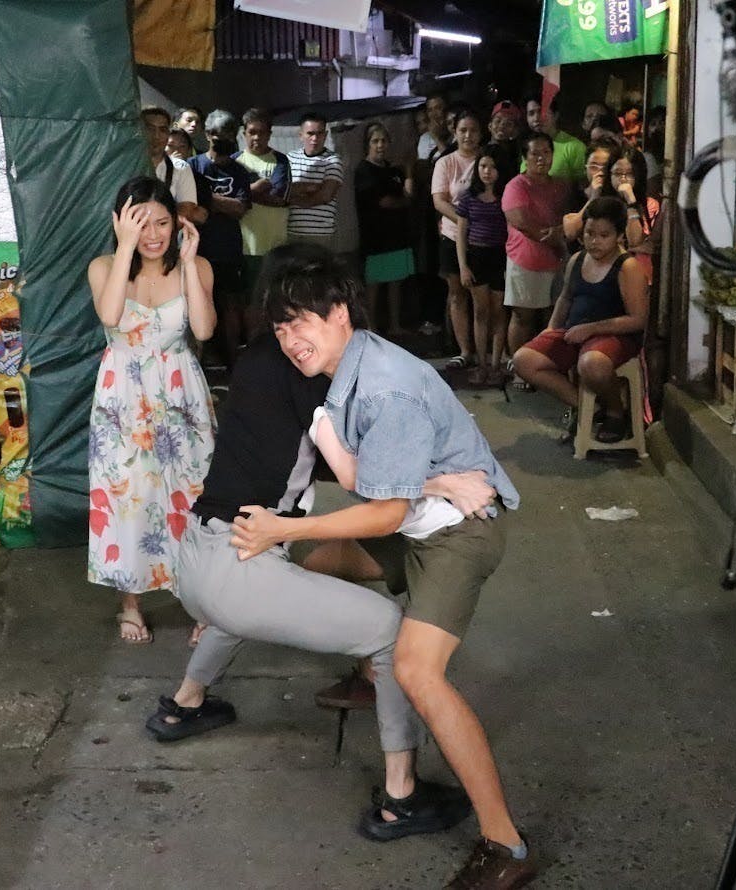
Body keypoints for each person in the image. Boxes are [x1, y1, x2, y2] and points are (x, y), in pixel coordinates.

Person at [234, 243, 538, 890]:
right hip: (417, 522)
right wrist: (432, 481)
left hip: (458, 536)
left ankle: (505, 845)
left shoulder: (384, 387)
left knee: (418, 672)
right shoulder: (346, 369)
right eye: (280, 327)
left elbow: (381, 512)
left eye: (301, 321)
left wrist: (283, 528)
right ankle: (368, 668)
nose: (290, 340)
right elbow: (364, 481)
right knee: (315, 565)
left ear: (340, 312)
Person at [146, 325, 490, 843]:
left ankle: (185, 703)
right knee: (392, 632)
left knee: (260, 593)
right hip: (241, 570)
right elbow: (356, 476)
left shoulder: (253, 359)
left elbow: (302, 459)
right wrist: (442, 482)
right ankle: (402, 797)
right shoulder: (311, 377)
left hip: (197, 558)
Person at [87, 176, 217, 643]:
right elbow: (109, 316)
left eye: (162, 222)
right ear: (120, 223)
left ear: (176, 223)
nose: (153, 234)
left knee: (192, 493)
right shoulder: (104, 266)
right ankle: (131, 604)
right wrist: (124, 248)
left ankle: (204, 603)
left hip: (181, 393)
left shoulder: (195, 266)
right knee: (130, 496)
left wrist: (189, 264)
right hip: (123, 397)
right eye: (140, 223)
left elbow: (203, 330)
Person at [514, 197, 648, 445]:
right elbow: (565, 298)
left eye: (604, 235)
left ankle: (616, 412)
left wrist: (592, 329)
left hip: (614, 336)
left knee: (592, 364)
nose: (594, 241)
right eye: (589, 234)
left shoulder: (627, 267)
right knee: (524, 360)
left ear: (619, 236)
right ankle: (587, 407)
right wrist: (550, 329)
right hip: (574, 331)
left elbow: (638, 320)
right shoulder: (577, 260)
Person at [502, 132, 570, 391]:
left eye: (546, 152)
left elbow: (569, 217)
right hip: (526, 260)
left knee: (552, 318)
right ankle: (519, 368)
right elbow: (521, 221)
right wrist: (552, 235)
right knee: (523, 316)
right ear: (525, 157)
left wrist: (560, 233)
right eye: (535, 153)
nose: (541, 158)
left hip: (556, 260)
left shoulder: (560, 186)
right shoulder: (516, 186)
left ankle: (544, 368)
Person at [188, 109, 252, 368]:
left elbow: (240, 209)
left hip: (228, 250)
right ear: (207, 134)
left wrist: (206, 199)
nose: (221, 138)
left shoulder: (239, 171)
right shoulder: (192, 166)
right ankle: (198, 364)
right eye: (216, 134)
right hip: (196, 250)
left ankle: (234, 365)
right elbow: (188, 206)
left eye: (227, 134)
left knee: (230, 306)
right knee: (196, 304)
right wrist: (215, 204)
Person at [455, 146, 513, 386]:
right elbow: (461, 234)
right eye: (483, 166)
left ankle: (496, 364)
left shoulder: (506, 196)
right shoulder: (468, 197)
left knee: (499, 311)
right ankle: (481, 364)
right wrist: (463, 266)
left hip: (500, 256)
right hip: (477, 256)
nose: (487, 171)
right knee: (480, 312)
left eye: (492, 167)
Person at [432, 108, 483, 373]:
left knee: (482, 297)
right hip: (452, 236)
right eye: (463, 130)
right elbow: (439, 200)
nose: (468, 135)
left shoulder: (487, 159)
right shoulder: (446, 163)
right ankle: (464, 350)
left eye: (473, 130)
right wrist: (463, 220)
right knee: (457, 293)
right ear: (455, 132)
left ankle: (484, 350)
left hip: (484, 238)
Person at [234, 107, 292, 340]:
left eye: (262, 132)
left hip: (275, 245)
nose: (256, 137)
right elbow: (232, 198)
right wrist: (258, 189)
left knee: (275, 299)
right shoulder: (235, 162)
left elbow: (279, 197)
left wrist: (244, 194)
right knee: (249, 300)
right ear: (244, 133)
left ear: (269, 134)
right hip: (245, 245)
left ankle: (274, 344)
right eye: (252, 132)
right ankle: (253, 344)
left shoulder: (281, 160)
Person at [354, 121, 414, 335]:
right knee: (374, 284)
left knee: (395, 281)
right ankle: (371, 327)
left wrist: (408, 171)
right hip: (376, 238)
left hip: (397, 236)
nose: (380, 145)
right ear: (367, 144)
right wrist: (404, 201)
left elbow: (409, 193)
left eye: (384, 141)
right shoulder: (364, 170)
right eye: (375, 141)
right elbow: (385, 201)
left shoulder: (392, 170)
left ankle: (395, 325)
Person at [287, 111, 344, 250]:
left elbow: (325, 196)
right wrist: (308, 188)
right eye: (310, 133)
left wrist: (293, 197)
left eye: (319, 134)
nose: (315, 138)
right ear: (301, 135)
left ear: (325, 135)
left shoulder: (333, 160)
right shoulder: (290, 158)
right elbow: (282, 190)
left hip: (320, 233)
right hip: (292, 231)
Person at [561, 139, 630, 247]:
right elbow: (571, 233)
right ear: (586, 167)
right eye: (594, 166)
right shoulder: (575, 194)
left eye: (605, 167)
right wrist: (593, 197)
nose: (600, 172)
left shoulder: (620, 197)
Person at [142, 106, 204, 224]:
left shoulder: (180, 168)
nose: (156, 136)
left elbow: (186, 209)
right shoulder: (125, 164)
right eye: (150, 129)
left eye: (162, 130)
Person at [610, 148, 660, 285]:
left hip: (635, 277)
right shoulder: (604, 203)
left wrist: (631, 202)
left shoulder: (650, 205)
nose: (623, 179)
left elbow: (635, 241)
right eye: (617, 173)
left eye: (629, 174)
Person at [525, 93, 587, 182]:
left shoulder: (575, 147)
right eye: (531, 113)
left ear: (555, 115)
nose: (536, 118)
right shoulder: (526, 146)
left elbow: (583, 184)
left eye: (541, 112)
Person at [488, 100, 527, 171]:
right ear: (490, 125)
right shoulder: (480, 153)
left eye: (509, 124)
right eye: (498, 121)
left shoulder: (519, 158)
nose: (502, 126)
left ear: (515, 131)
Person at [417, 93, 450, 162]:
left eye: (438, 108)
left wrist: (436, 137)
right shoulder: (424, 138)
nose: (434, 114)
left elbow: (450, 162)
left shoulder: (455, 134)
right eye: (430, 110)